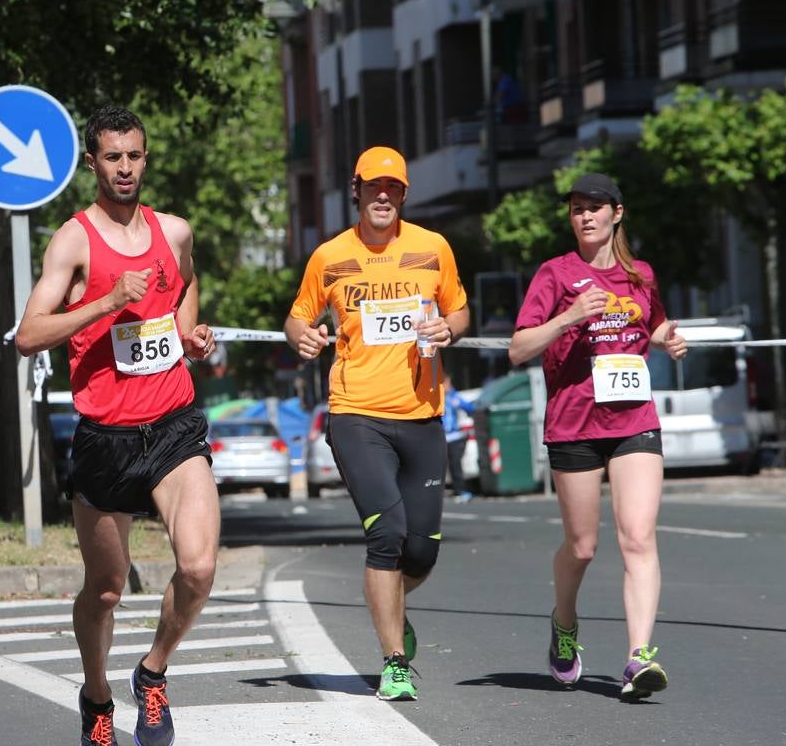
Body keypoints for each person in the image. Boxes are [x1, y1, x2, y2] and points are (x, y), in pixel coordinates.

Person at [14, 105, 219, 746]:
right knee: (104, 589)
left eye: (135, 156)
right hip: (105, 435)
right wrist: (105, 303)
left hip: (173, 425)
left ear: (145, 157)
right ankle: (97, 701)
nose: (125, 168)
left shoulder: (175, 231)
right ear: (92, 163)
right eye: (112, 157)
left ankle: (152, 672)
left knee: (198, 567)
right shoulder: (73, 243)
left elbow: (185, 287)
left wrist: (189, 332)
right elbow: (27, 336)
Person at [284, 145, 469, 702]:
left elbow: (459, 308)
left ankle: (394, 607)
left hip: (422, 414)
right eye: (373, 187)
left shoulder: (433, 248)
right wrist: (306, 340)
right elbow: (297, 320)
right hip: (356, 414)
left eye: (393, 189)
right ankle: (393, 662)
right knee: (385, 535)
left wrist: (449, 331)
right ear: (356, 191)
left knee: (422, 550)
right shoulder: (329, 256)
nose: (383, 197)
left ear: (404, 195)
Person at [508, 172, 687, 701]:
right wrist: (567, 317)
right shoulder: (555, 273)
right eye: (576, 209)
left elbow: (648, 324)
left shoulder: (642, 274)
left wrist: (668, 340)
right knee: (583, 547)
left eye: (594, 207)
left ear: (617, 213)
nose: (584, 216)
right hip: (574, 424)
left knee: (638, 537)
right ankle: (565, 624)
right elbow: (518, 348)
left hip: (634, 420)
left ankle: (639, 657)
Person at [442, 373, 477, 502]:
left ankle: (460, 490)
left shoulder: (454, 397)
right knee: (440, 467)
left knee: (456, 465)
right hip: (441, 437)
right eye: (446, 383)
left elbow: (470, 408)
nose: (448, 386)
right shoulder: (436, 397)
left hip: (454, 436)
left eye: (449, 383)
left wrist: (461, 405)